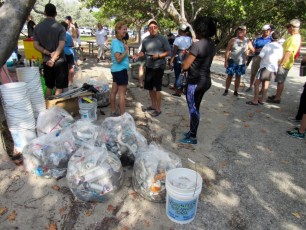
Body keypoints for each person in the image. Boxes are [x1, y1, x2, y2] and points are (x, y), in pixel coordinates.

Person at [179, 16, 216, 144]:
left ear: (199, 29)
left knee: (193, 109)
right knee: (196, 107)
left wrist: (184, 57)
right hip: (206, 80)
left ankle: (192, 137)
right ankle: (191, 131)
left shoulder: (197, 45)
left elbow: (185, 66)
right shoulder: (211, 44)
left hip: (195, 82)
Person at [134, 19, 171, 117]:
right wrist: (137, 55)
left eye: (154, 27)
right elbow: (143, 52)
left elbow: (168, 52)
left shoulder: (162, 38)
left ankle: (158, 109)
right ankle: (153, 105)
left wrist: (159, 56)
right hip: (149, 66)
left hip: (159, 66)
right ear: (148, 29)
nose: (153, 29)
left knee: (156, 89)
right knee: (150, 88)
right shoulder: (145, 40)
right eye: (150, 28)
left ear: (157, 28)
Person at [33, 3, 68, 97]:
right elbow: (61, 45)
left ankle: (48, 108)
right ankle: (55, 108)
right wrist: (53, 59)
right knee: (59, 87)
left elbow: (35, 45)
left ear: (44, 13)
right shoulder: (60, 27)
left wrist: (47, 53)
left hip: (46, 60)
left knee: (49, 86)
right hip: (59, 61)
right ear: (56, 13)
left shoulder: (37, 27)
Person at [267, 19, 302, 104]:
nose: (287, 29)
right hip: (285, 63)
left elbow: (288, 52)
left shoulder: (294, 38)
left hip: (284, 64)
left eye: (288, 27)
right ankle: (276, 96)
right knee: (279, 81)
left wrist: (281, 64)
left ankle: (277, 98)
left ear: (293, 27)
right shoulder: (294, 37)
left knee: (280, 81)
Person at [246, 31, 283, 105]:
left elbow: (260, 56)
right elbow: (280, 58)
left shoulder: (267, 46)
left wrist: (255, 60)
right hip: (273, 68)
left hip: (265, 67)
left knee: (256, 84)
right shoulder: (280, 47)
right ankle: (263, 99)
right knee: (266, 83)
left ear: (271, 37)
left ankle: (255, 100)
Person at [223, 25, 254, 96]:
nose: (240, 31)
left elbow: (253, 50)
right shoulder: (233, 40)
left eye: (242, 30)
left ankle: (235, 91)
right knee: (229, 76)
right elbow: (227, 50)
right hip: (232, 61)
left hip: (241, 63)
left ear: (245, 31)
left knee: (238, 77)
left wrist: (248, 51)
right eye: (239, 30)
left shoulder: (247, 41)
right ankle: (226, 90)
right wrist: (226, 61)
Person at [110, 21, 129, 116]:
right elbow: (118, 59)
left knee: (113, 91)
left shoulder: (121, 42)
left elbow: (122, 57)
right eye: (124, 29)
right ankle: (123, 116)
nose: (126, 31)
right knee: (122, 94)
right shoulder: (116, 42)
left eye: (126, 29)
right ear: (118, 30)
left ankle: (113, 111)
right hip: (120, 70)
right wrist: (126, 50)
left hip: (117, 70)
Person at [245, 25, 271, 92]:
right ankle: (250, 86)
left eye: (268, 30)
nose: (267, 31)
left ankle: (262, 89)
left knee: (264, 75)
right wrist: (257, 50)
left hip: (266, 59)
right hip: (257, 57)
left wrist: (263, 50)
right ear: (263, 31)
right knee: (253, 73)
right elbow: (253, 49)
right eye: (265, 30)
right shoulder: (258, 39)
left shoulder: (271, 40)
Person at [169, 23, 192, 97]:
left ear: (180, 30)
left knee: (178, 74)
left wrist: (171, 61)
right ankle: (184, 89)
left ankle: (178, 91)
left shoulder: (178, 39)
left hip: (179, 57)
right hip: (187, 57)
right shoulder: (189, 39)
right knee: (185, 73)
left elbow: (174, 52)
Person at [60, 21, 75, 86]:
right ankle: (71, 81)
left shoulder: (61, 34)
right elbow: (72, 44)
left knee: (64, 68)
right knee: (71, 67)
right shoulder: (68, 34)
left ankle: (66, 81)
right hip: (70, 51)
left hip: (63, 52)